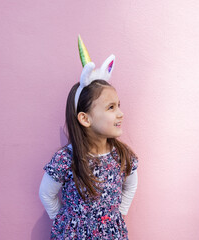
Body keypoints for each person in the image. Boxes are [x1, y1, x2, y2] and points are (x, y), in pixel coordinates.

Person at [39, 35, 139, 239]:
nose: (120, 113)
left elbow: (131, 185)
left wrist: (118, 214)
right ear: (85, 118)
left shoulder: (122, 156)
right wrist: (65, 220)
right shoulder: (66, 159)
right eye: (111, 107)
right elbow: (46, 193)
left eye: (118, 105)